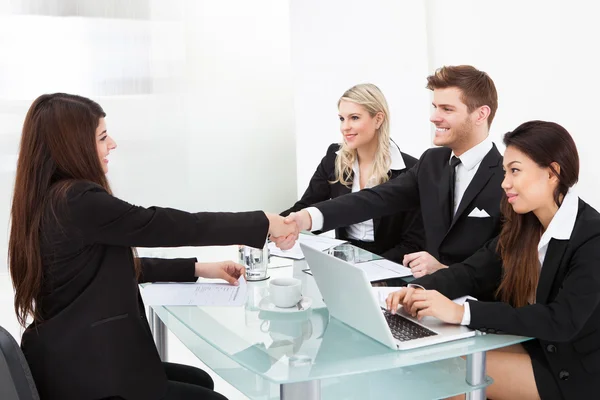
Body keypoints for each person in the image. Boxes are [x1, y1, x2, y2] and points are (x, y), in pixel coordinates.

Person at [8, 93, 296, 400]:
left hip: (67, 360)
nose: (113, 144)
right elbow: (164, 225)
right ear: (72, 145)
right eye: (103, 137)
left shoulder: (48, 199)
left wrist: (198, 268)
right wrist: (262, 223)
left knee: (199, 379)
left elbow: (99, 269)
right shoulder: (78, 200)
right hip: (90, 374)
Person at [386, 121, 598, 400]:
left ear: (552, 173)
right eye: (504, 172)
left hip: (576, 371)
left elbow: (561, 320)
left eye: (515, 171)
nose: (505, 183)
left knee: (444, 378)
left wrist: (462, 313)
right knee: (429, 359)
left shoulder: (592, 236)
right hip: (535, 345)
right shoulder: (525, 224)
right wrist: (418, 290)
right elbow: (472, 271)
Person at [275, 65, 504, 282]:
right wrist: (307, 217)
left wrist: (445, 272)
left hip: (471, 306)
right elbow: (375, 199)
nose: (434, 117)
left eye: (447, 109)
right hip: (422, 293)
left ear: (481, 115)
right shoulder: (432, 162)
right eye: (435, 107)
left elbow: (506, 263)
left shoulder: (507, 177)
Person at [280, 83, 424, 262]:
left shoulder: (411, 170)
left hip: (391, 264)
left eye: (354, 118)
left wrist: (373, 270)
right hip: (344, 258)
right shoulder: (334, 159)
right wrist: (264, 231)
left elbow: (413, 243)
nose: (345, 127)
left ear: (378, 119)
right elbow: (305, 207)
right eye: (342, 118)